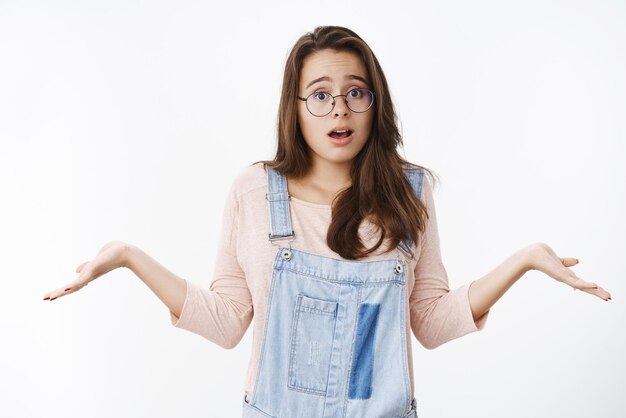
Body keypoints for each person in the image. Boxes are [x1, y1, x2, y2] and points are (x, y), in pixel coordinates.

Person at [43, 25, 612, 418]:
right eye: (319, 95)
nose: (338, 108)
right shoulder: (253, 191)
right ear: (294, 107)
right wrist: (125, 255)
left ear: (374, 103)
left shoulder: (410, 193)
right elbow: (226, 323)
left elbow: (432, 324)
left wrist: (525, 259)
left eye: (355, 92)